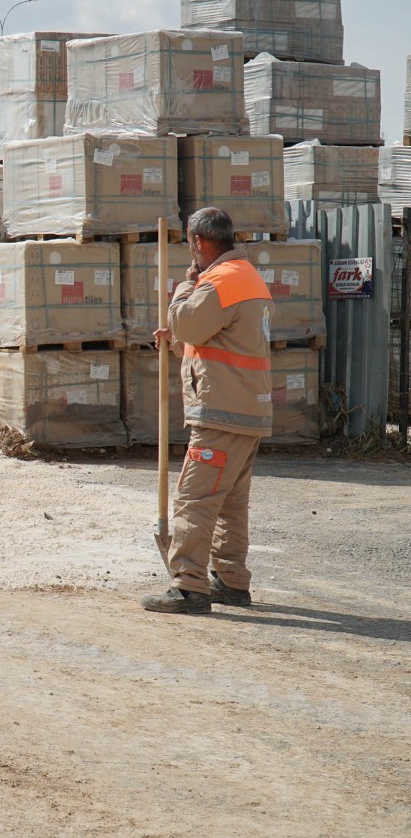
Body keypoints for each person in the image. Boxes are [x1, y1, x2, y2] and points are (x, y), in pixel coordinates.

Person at [146, 207, 274, 614]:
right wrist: (180, 341)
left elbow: (186, 322)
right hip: (247, 411)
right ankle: (231, 581)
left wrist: (185, 286)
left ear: (199, 242)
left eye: (189, 244)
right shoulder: (248, 278)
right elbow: (220, 341)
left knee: (196, 499)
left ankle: (188, 587)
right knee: (230, 504)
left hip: (221, 413)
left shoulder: (219, 280)